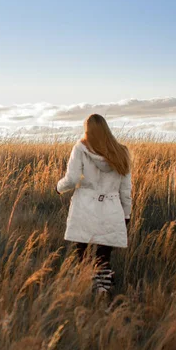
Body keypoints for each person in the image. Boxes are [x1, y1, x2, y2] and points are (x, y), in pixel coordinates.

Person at [56, 114, 132, 298]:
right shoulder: (121, 152)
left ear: (87, 130)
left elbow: (72, 179)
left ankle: (83, 294)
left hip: (85, 207)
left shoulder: (80, 149)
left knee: (82, 255)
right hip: (111, 208)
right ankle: (103, 294)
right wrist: (126, 214)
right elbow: (125, 189)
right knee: (103, 257)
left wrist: (59, 187)